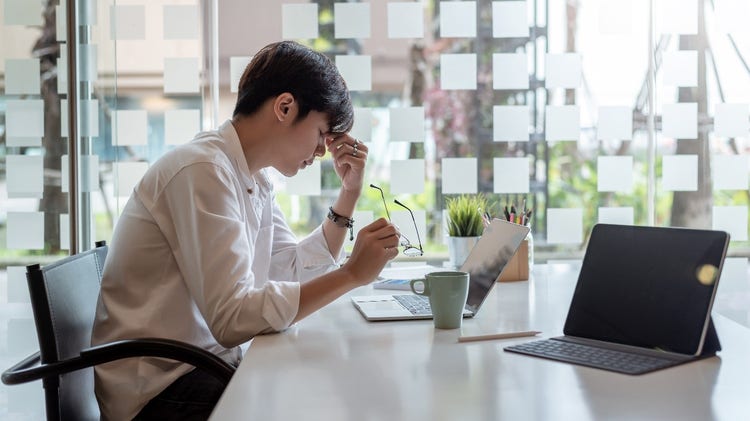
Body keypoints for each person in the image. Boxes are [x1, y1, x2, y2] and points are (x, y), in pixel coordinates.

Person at [91, 40, 401, 420]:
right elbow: (233, 318)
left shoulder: (250, 177)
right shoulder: (202, 171)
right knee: (319, 393)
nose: (322, 152)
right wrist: (351, 274)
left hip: (202, 367)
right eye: (322, 133)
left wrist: (349, 193)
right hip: (160, 392)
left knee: (324, 381)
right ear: (285, 107)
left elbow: (288, 269)